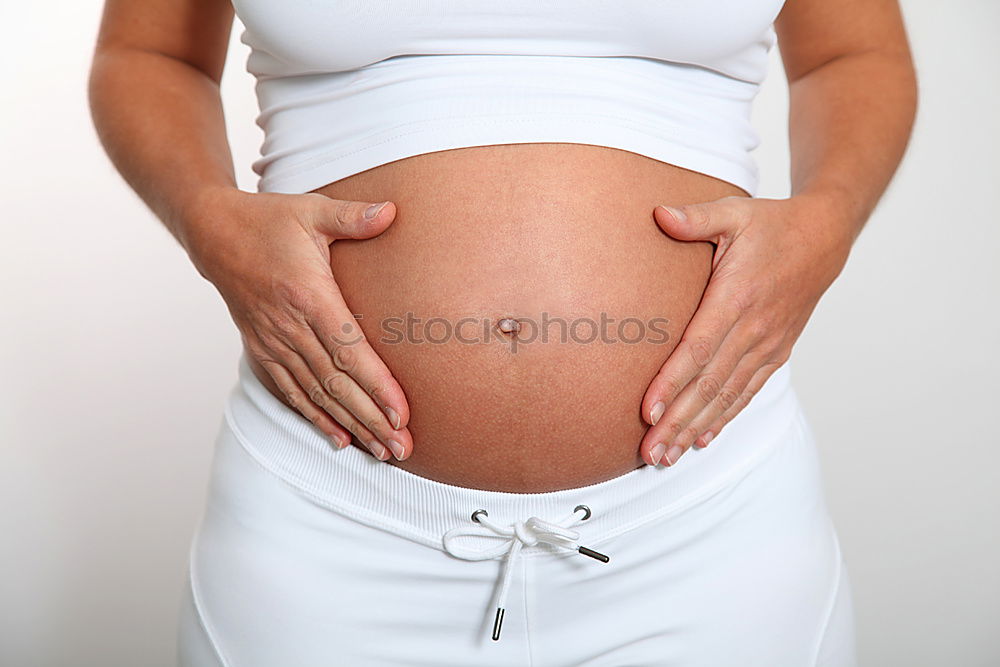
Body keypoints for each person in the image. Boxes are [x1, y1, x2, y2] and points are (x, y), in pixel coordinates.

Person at [88, 0, 916, 664]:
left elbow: (854, 54)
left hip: (708, 524)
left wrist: (826, 220)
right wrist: (208, 216)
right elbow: (149, 52)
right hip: (325, 524)